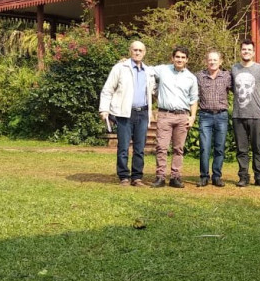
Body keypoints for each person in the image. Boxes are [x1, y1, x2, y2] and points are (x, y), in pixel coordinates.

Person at [99, 40, 156, 186]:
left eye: (140, 50)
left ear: (145, 53)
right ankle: (124, 176)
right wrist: (104, 109)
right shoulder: (119, 68)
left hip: (142, 113)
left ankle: (137, 178)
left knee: (139, 148)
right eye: (135, 50)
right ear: (130, 51)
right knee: (123, 147)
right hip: (125, 113)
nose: (137, 52)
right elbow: (108, 89)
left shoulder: (149, 71)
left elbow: (154, 90)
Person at [150, 47, 198, 188]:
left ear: (187, 60)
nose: (180, 60)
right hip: (165, 114)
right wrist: (125, 62)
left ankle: (175, 177)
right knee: (161, 147)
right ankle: (160, 177)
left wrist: (193, 116)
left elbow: (193, 99)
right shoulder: (163, 70)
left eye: (183, 57)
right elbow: (146, 70)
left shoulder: (191, 78)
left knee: (178, 148)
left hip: (182, 116)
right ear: (172, 58)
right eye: (177, 57)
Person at [231, 39, 260, 187]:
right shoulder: (234, 69)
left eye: (249, 49)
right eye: (244, 49)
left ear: (253, 52)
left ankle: (259, 177)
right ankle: (243, 176)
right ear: (240, 51)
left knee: (257, 148)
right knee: (241, 149)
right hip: (238, 115)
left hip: (256, 114)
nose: (246, 52)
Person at [195, 50, 233, 187]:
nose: (212, 62)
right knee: (204, 147)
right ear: (206, 61)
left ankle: (217, 176)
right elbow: (193, 95)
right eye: (210, 60)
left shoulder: (227, 76)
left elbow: (238, 89)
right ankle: (204, 176)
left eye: (215, 60)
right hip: (205, 116)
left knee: (219, 148)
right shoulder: (199, 76)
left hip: (221, 115)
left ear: (220, 62)